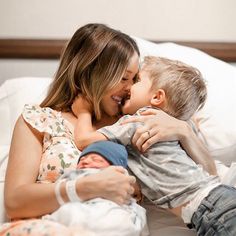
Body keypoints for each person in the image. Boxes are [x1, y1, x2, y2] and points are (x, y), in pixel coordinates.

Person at [1, 23, 215, 235]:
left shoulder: (132, 124)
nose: (129, 88)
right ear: (91, 71)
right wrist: (85, 188)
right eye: (124, 78)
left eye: (134, 80)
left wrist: (183, 131)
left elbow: (208, 177)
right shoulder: (40, 119)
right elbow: (14, 201)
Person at [72, 56, 236, 235]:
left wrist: (83, 112)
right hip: (219, 199)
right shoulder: (185, 123)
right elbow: (209, 172)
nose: (129, 87)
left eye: (137, 80)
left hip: (211, 208)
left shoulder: (138, 120)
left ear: (157, 97)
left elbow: (83, 140)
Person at [44, 140, 148, 236]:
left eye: (96, 159)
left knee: (129, 218)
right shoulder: (72, 175)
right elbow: (59, 189)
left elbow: (130, 201)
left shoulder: (121, 178)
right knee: (67, 213)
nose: (85, 161)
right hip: (78, 210)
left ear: (114, 166)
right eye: (82, 159)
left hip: (111, 214)